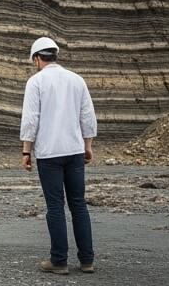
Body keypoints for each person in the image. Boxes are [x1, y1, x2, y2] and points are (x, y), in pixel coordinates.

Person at [20, 37, 98, 274]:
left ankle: (59, 261)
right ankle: (87, 261)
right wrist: (88, 145)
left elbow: (31, 118)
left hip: (49, 153)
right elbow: (88, 116)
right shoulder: (77, 80)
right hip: (75, 151)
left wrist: (26, 151)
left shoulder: (36, 82)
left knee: (55, 206)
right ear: (54, 55)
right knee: (78, 205)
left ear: (36, 58)